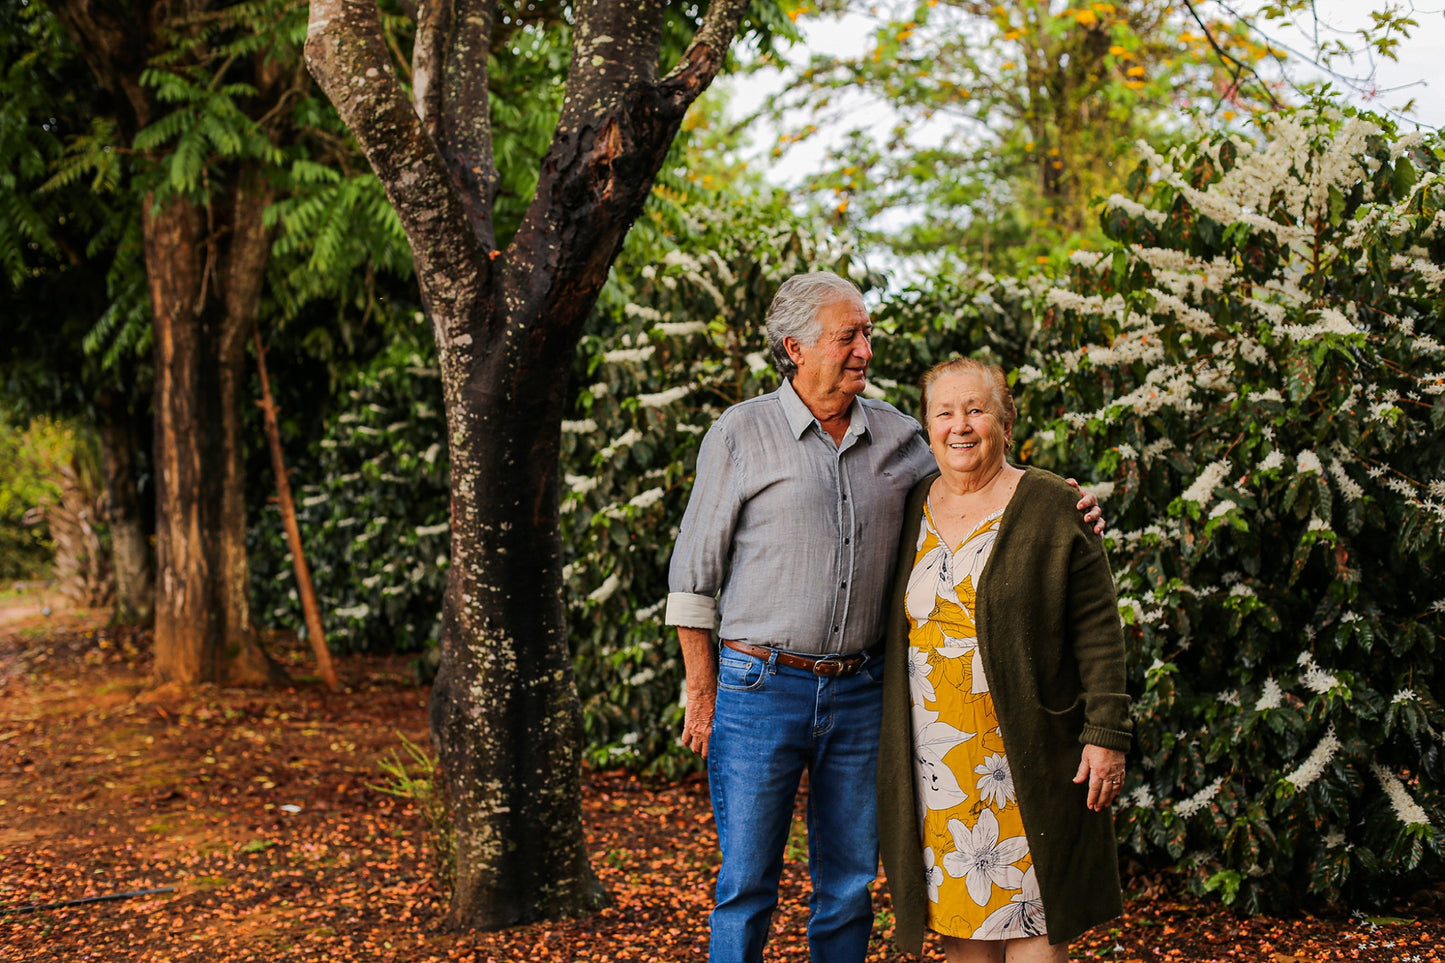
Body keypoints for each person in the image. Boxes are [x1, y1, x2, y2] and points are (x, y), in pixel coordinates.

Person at [665, 273, 1103, 963]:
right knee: (745, 882)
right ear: (795, 347)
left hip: (860, 693)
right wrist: (702, 686)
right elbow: (693, 575)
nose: (864, 349)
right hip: (758, 689)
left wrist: (1063, 505)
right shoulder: (740, 433)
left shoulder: (902, 437)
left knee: (845, 885)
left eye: (866, 332)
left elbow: (981, 475)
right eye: (848, 336)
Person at [876, 357, 1132, 963]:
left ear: (1005, 422)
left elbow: (1098, 628)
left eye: (976, 410)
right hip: (937, 760)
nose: (959, 425)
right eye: (944, 412)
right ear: (927, 426)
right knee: (966, 930)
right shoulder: (910, 504)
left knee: (1035, 927)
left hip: (1029, 755)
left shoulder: (1051, 503)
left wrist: (1106, 735)